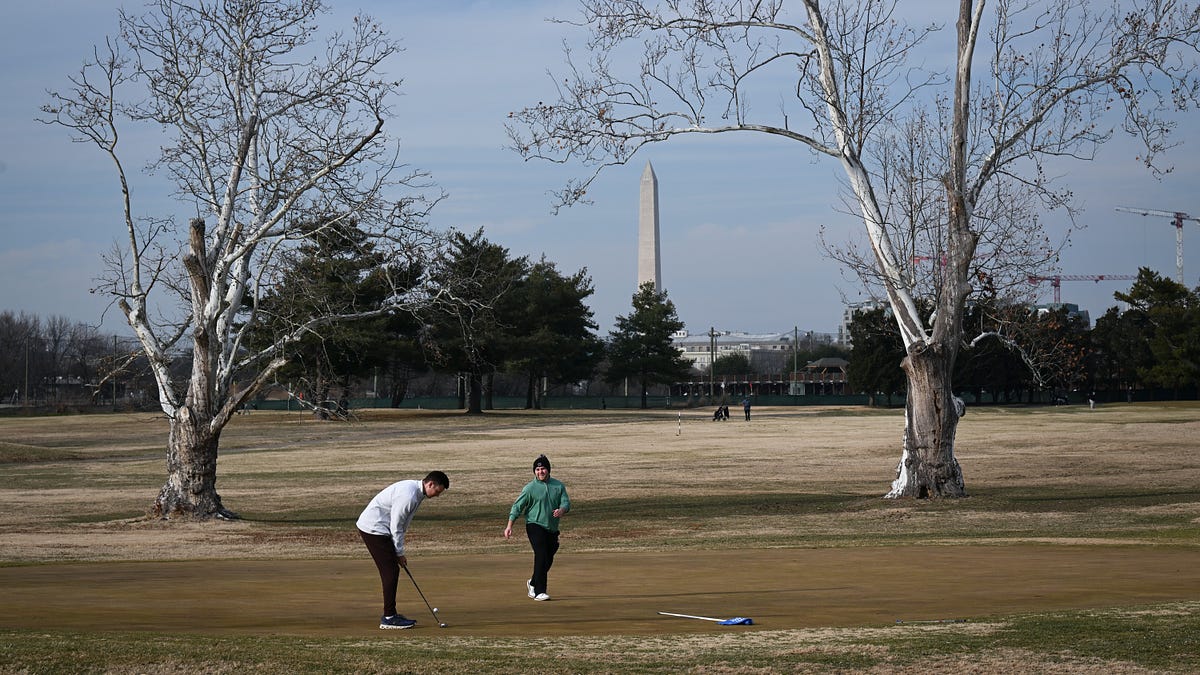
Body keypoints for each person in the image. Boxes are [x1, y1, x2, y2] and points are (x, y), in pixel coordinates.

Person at [356, 470, 450, 629]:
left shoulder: (416, 492)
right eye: (437, 491)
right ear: (430, 484)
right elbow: (397, 526)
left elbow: (402, 524)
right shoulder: (409, 495)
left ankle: (390, 614)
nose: (437, 495)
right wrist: (399, 553)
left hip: (379, 529)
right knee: (390, 571)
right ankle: (389, 618)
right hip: (374, 528)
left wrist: (398, 552)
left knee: (391, 570)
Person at [504, 454, 570, 601]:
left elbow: (566, 503)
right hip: (534, 525)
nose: (540, 472)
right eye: (538, 469)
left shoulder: (558, 486)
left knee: (548, 558)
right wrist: (509, 526)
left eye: (543, 469)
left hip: (551, 528)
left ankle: (533, 582)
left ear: (548, 470)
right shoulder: (530, 488)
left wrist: (561, 510)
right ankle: (540, 591)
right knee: (541, 555)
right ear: (534, 471)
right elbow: (517, 507)